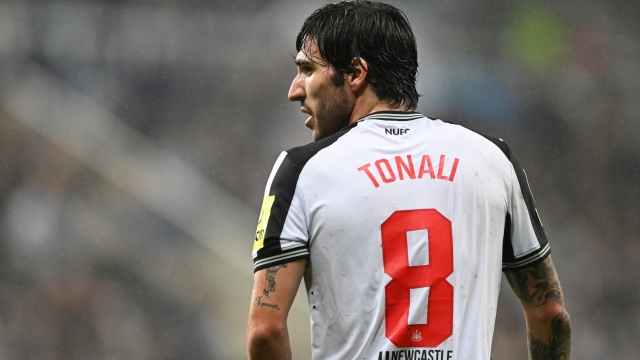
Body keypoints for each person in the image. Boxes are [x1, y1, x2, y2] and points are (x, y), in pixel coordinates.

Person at [247, 1, 571, 359]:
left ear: (356, 73)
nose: (295, 89)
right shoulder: (492, 159)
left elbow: (265, 331)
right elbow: (551, 314)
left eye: (307, 69)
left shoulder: (302, 170)